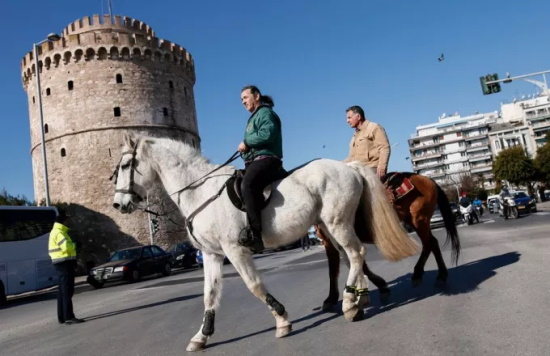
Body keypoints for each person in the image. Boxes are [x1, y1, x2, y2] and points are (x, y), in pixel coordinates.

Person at [237, 85, 283, 252]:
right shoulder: (254, 117)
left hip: (268, 159)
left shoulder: (265, 113)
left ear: (256, 96)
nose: (243, 102)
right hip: (255, 160)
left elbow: (267, 134)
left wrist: (247, 143)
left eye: (245, 97)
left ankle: (255, 235)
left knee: (247, 185)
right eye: (241, 99)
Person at [48, 209, 85, 325]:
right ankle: (69, 316)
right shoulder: (59, 232)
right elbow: (66, 247)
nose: (69, 222)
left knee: (62, 291)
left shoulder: (56, 231)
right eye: (67, 220)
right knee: (67, 290)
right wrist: (75, 244)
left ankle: (62, 317)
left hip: (60, 263)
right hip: (64, 263)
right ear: (63, 221)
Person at [343, 105, 390, 178]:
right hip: (358, 170)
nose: (347, 121)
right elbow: (351, 157)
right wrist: (337, 164)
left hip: (371, 169)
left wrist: (382, 167)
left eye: (349, 118)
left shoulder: (374, 127)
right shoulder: (354, 136)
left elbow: (384, 147)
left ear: (358, 117)